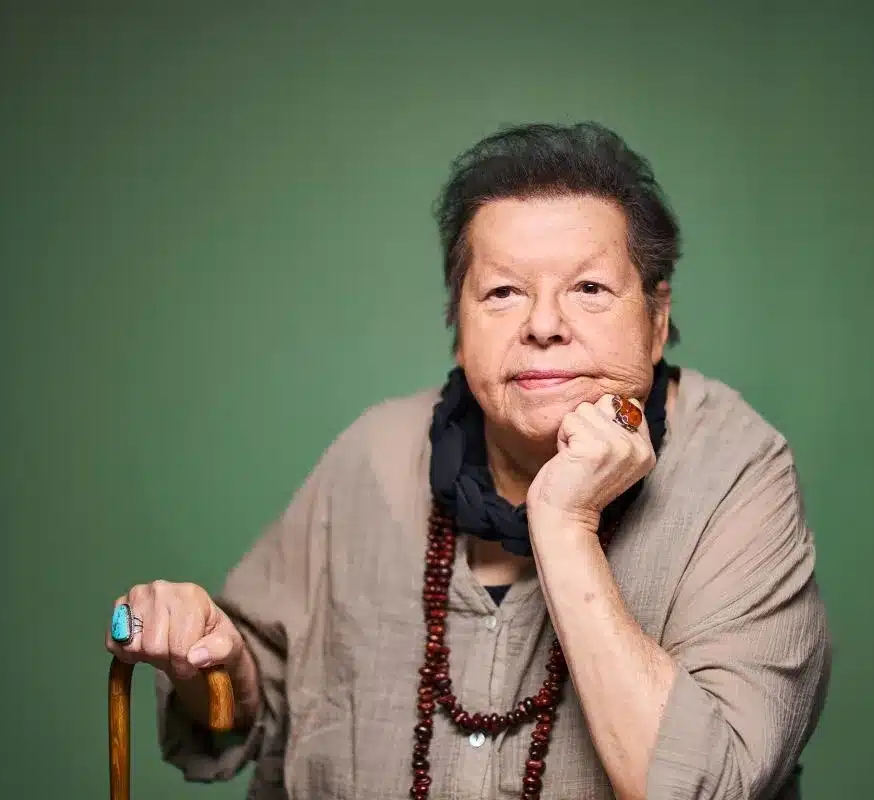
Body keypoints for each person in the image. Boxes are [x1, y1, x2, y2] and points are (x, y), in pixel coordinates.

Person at [105, 121, 831, 800]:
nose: (543, 325)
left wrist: (564, 522)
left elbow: (711, 786)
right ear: (459, 326)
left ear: (656, 318)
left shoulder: (737, 472)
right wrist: (211, 657)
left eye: (589, 289)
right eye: (504, 292)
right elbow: (239, 712)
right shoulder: (373, 457)